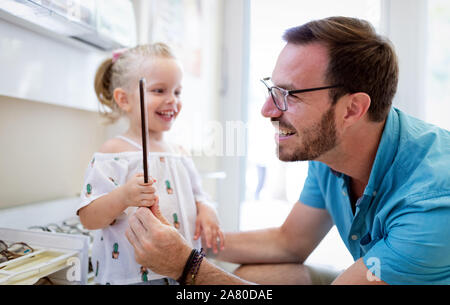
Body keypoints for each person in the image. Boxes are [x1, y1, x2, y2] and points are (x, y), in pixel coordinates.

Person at [126, 17, 450, 285]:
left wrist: (186, 266)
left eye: (290, 95)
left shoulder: (432, 202)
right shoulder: (332, 148)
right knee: (267, 274)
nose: (268, 110)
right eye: (273, 90)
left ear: (352, 109)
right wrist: (186, 240)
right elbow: (289, 243)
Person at [77, 42, 224, 285]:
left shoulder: (180, 153)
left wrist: (207, 209)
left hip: (180, 272)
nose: (172, 101)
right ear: (124, 100)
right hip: (130, 277)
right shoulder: (113, 152)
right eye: (159, 91)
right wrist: (123, 197)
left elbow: (200, 196)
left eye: (177, 92)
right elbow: (88, 218)